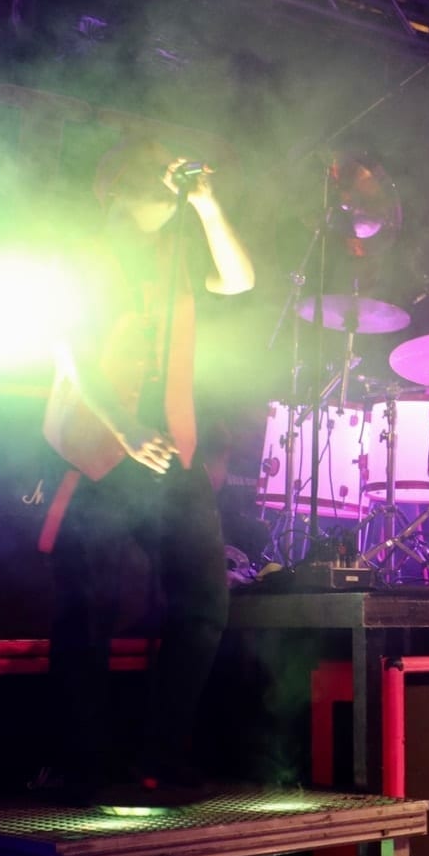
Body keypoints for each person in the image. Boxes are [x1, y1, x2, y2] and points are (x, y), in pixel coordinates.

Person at [40, 137, 255, 803]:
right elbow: (73, 351)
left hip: (172, 453)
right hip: (98, 450)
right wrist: (124, 427)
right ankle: (83, 764)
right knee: (91, 610)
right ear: (117, 193)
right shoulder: (84, 256)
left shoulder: (176, 255)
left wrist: (208, 206)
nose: (166, 198)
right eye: (154, 188)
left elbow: (241, 280)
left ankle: (158, 755)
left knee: (204, 603)